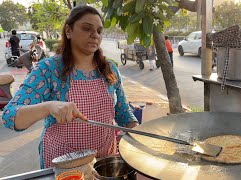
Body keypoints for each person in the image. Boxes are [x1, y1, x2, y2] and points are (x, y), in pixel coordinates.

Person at [1, 5, 138, 168]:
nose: (95, 35)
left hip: (104, 163)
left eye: (99, 31)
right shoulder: (49, 69)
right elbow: (10, 116)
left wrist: (136, 131)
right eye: (87, 28)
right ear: (68, 31)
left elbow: (123, 113)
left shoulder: (109, 68)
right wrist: (49, 107)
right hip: (63, 167)